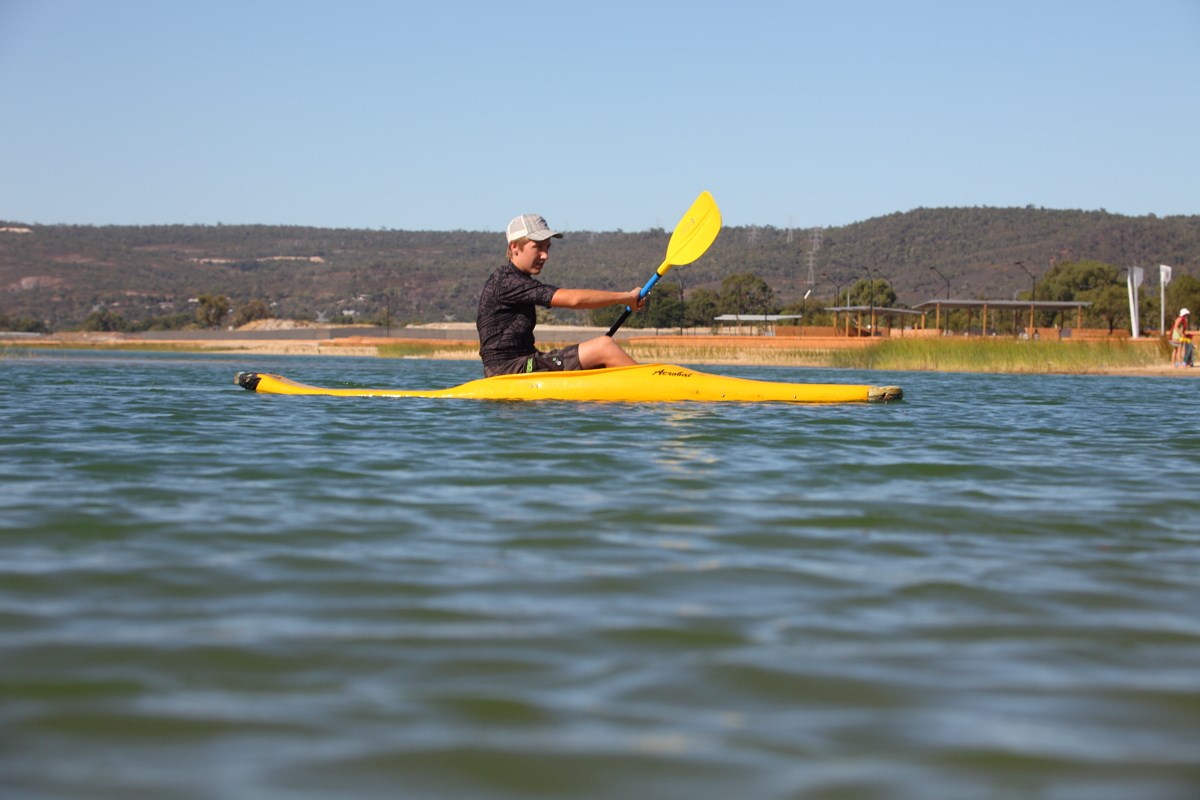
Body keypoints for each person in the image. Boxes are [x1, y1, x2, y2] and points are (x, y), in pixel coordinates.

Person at [476, 213, 645, 377]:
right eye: (538, 247)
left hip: (523, 364)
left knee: (597, 362)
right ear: (514, 247)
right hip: (508, 371)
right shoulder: (507, 281)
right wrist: (626, 297)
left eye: (547, 247)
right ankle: (653, 389)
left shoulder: (515, 279)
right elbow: (574, 300)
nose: (545, 255)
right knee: (604, 346)